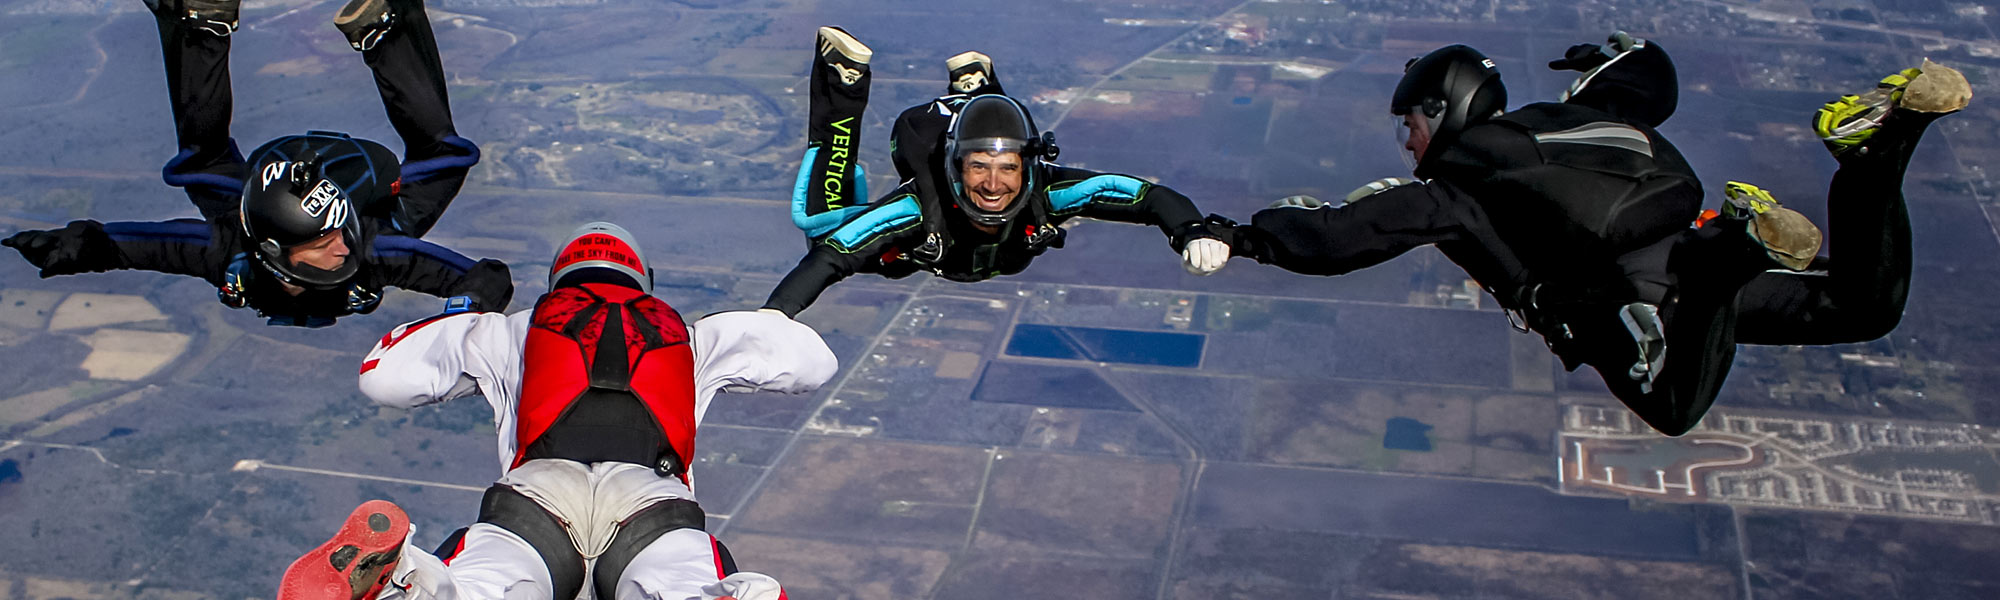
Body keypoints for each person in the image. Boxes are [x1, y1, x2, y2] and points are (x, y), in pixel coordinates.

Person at [1209, 34, 1970, 435]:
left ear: (1441, 110)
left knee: (1673, 407)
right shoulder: (1567, 119)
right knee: (1861, 304)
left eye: (1409, 125)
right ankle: (1878, 150)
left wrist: (1243, 238)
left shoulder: (1462, 188)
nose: (1406, 143)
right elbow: (1648, 78)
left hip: (1632, 293)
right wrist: (1611, 53)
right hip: (1678, 237)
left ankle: (1734, 255)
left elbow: (1348, 237)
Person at [279, 222, 836, 600]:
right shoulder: (693, 338)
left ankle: (406, 581)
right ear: (643, 281)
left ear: (557, 281)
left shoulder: (509, 331)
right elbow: (815, 363)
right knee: (675, 581)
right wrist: (760, 323)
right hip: (652, 501)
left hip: (535, 498)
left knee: (490, 583)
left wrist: (467, 309)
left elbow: (384, 378)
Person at [0, 0, 509, 327]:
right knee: (441, 159)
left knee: (206, 160)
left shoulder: (369, 243)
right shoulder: (232, 246)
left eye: (336, 232)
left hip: (348, 201)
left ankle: (198, 24)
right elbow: (143, 246)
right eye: (323, 241)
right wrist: (77, 247)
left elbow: (476, 278)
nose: (342, 247)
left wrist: (469, 309)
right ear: (273, 250)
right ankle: (387, 28)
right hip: (263, 202)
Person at [765, 27, 1233, 317]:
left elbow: (1142, 196)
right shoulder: (915, 209)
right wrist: (775, 317)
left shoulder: (1049, 191)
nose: (993, 183)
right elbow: (830, 256)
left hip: (972, 234)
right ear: (955, 168)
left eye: (1008, 167)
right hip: (917, 205)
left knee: (997, 144)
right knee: (820, 220)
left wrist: (1189, 231)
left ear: (1028, 166)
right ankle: (842, 81)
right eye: (978, 168)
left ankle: (976, 94)